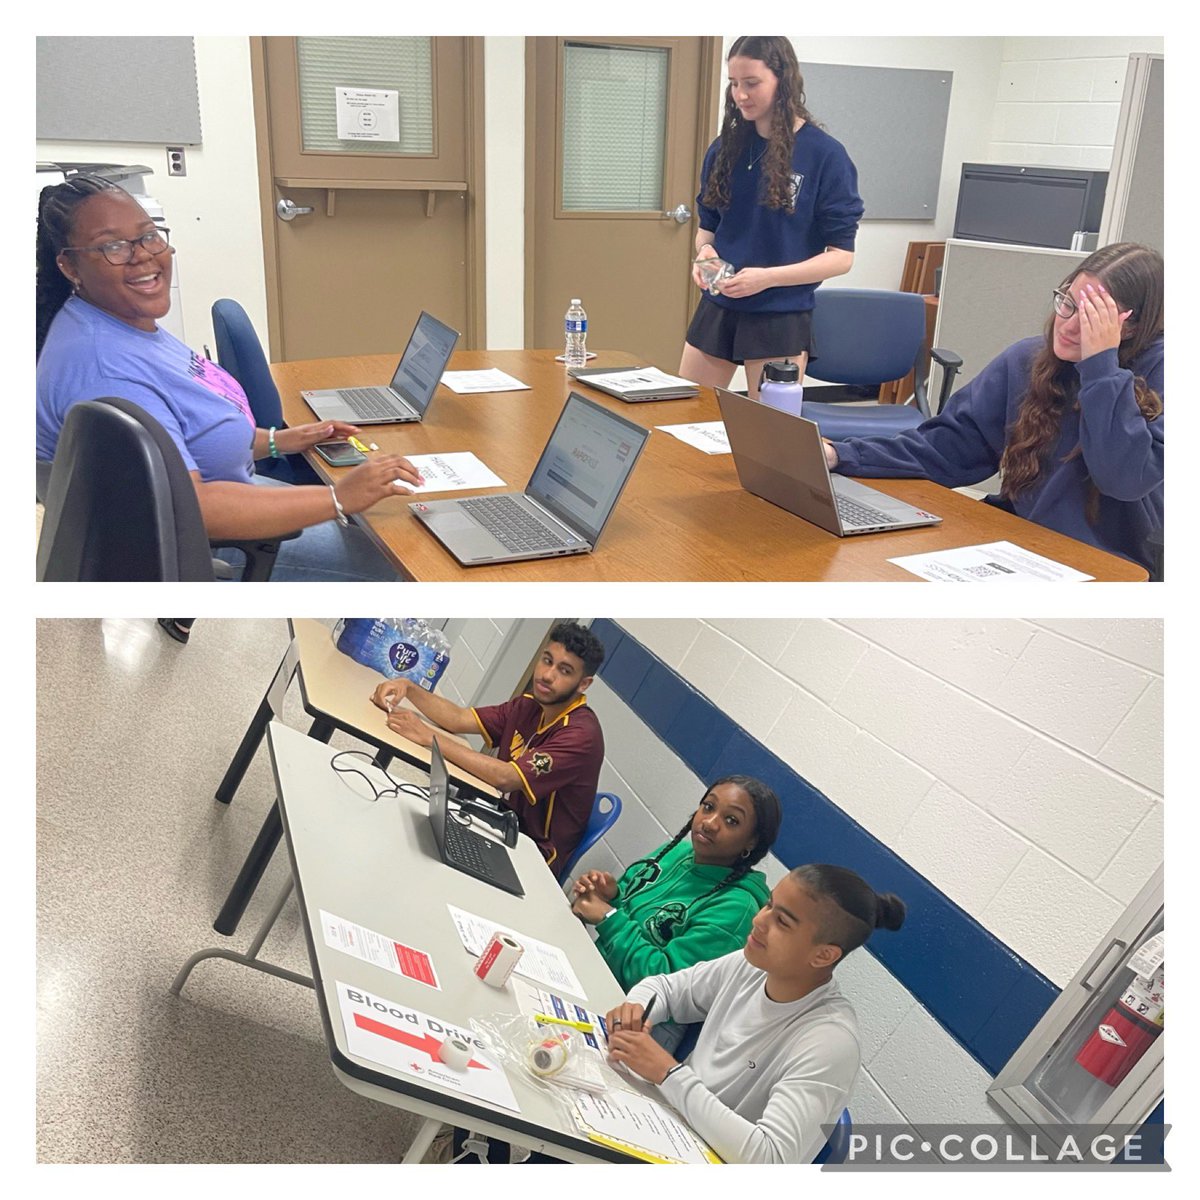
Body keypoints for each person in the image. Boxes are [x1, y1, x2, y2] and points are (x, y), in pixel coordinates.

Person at [36, 175, 422, 582]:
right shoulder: (107, 370)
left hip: (219, 496)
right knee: (393, 558)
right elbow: (193, 509)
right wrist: (337, 497)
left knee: (381, 521)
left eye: (149, 236)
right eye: (113, 246)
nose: (143, 255)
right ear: (69, 265)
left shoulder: (123, 321)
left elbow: (188, 434)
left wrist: (279, 440)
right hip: (196, 542)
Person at [824, 242, 1164, 573]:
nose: (1070, 325)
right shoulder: (1027, 360)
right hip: (1022, 545)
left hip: (1110, 563)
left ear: (1131, 326)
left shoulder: (1162, 372)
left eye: (1092, 319)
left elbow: (1124, 479)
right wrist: (842, 455)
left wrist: (1100, 367)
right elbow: (947, 448)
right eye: (1068, 304)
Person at [605, 863, 906, 1164]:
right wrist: (636, 1012)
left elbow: (769, 1159)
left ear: (824, 955)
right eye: (768, 905)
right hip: (667, 1129)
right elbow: (665, 988)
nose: (759, 921)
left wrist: (668, 1074)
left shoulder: (830, 1041)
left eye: (782, 922)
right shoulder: (752, 963)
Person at [681, 36, 863, 399]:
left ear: (783, 80)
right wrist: (705, 256)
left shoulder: (825, 155)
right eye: (734, 84)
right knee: (682, 412)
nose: (740, 95)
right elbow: (708, 230)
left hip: (780, 314)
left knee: (768, 435)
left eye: (752, 83)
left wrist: (766, 279)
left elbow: (841, 258)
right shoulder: (724, 148)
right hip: (720, 304)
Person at [370, 621, 605, 878]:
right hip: (498, 820)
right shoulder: (529, 705)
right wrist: (408, 687)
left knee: (419, 850)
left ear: (583, 684)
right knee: (405, 818)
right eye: (547, 660)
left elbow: (505, 777)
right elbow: (458, 718)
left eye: (565, 670)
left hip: (532, 856)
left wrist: (429, 737)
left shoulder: (581, 735)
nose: (548, 675)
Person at [569, 776, 782, 1042]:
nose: (710, 823)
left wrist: (608, 917)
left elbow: (663, 985)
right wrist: (612, 895)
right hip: (601, 971)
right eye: (708, 807)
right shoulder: (680, 851)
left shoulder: (736, 908)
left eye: (731, 821)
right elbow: (638, 921)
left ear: (751, 842)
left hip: (641, 1023)